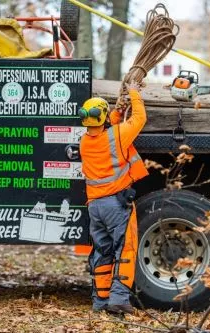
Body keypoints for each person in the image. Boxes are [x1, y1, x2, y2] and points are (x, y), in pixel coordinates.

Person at [79, 82, 149, 314]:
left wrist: (117, 111)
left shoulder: (84, 142)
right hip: (116, 205)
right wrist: (134, 93)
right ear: (103, 117)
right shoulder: (116, 136)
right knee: (125, 249)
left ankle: (100, 302)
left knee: (102, 252)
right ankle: (118, 298)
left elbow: (112, 129)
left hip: (95, 207)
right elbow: (139, 119)